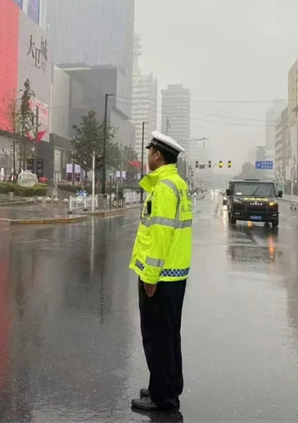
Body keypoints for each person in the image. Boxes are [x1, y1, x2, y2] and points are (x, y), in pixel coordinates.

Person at [130, 131, 193, 413]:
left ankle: (163, 398)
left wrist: (150, 277)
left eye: (150, 152)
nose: (147, 157)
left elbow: (160, 236)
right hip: (174, 275)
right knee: (168, 335)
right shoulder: (176, 183)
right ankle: (166, 385)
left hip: (162, 276)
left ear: (157, 155)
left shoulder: (165, 187)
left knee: (156, 337)